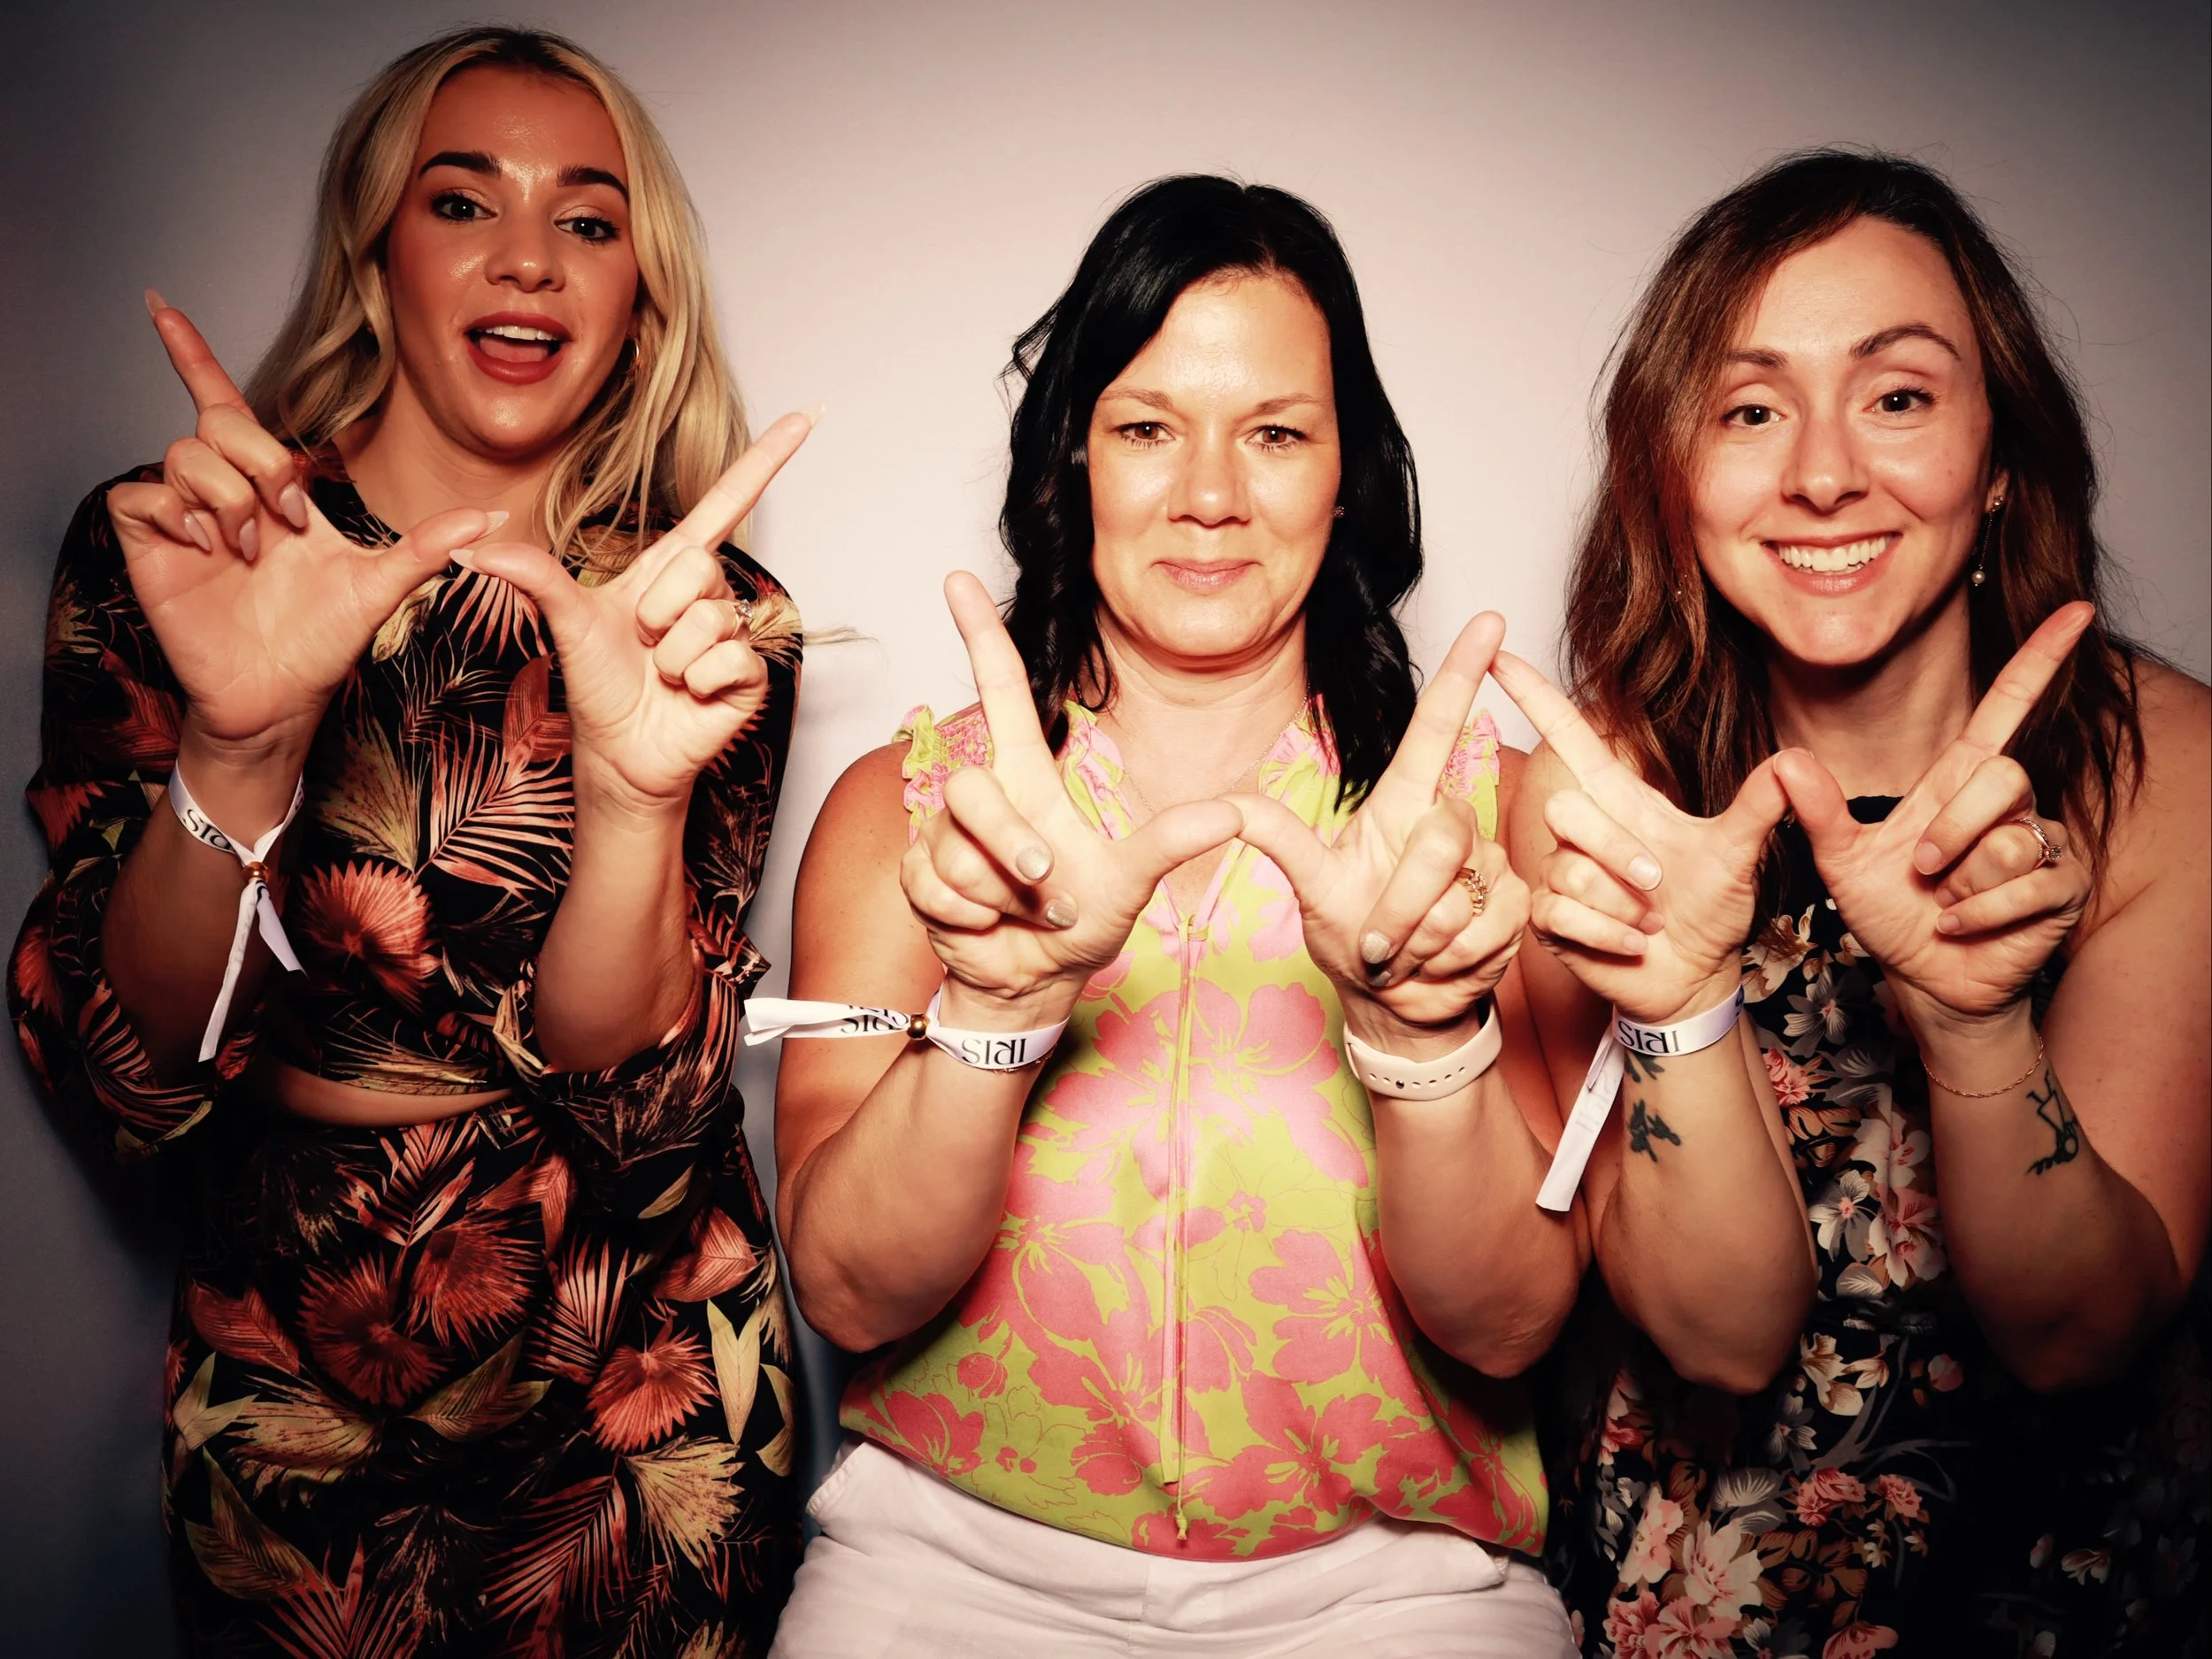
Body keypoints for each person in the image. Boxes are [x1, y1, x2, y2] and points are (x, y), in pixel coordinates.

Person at [9, 28, 814, 1656]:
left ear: (640, 291)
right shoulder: (188, 551)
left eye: (592, 220)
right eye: (466, 201)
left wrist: (636, 788)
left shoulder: (696, 618)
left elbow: (632, 1095)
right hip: (294, 1370)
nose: (529, 256)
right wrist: (240, 739)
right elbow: (127, 1067)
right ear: (378, 249)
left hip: (635, 1375)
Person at [766, 174, 1579, 1657]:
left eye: (1275, 431)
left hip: (1398, 1585)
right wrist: (994, 1019)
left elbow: (1512, 1328)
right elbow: (847, 1288)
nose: (1212, 492)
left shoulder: (1490, 816)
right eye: (1149, 426)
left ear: (1348, 474)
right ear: (1073, 454)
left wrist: (1420, 1036)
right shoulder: (912, 805)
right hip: (947, 1568)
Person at [1502, 150, 2209, 1656]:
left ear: (2002, 450)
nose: (1823, 472)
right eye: (1751, 410)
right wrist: (1683, 998)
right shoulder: (1601, 791)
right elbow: (1718, 1338)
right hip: (1698, 1609)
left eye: (1898, 395)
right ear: (1673, 477)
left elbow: (2080, 1337)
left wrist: (1976, 1023)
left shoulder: (2169, 768)